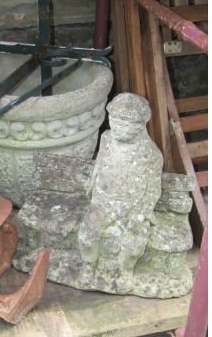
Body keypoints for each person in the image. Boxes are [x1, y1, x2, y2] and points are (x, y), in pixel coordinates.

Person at [78, 93, 163, 292]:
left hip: (133, 206)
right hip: (103, 201)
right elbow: (100, 164)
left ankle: (126, 271)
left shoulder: (150, 153)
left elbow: (153, 188)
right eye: (114, 121)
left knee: (134, 243)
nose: (117, 127)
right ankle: (88, 265)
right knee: (86, 236)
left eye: (125, 123)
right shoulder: (106, 138)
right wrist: (92, 186)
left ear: (141, 125)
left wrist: (141, 212)